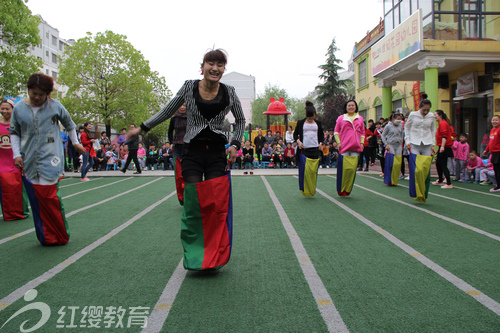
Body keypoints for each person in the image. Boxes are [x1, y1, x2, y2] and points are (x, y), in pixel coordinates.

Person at [127, 49, 244, 270]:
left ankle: (214, 254)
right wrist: (142, 128)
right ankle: (195, 252)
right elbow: (167, 111)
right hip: (192, 151)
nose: (215, 68)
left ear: (223, 69)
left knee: (215, 203)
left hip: (217, 152)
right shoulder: (189, 87)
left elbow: (240, 119)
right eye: (211, 63)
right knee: (193, 202)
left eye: (220, 65)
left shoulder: (229, 92)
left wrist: (236, 145)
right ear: (203, 67)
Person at [10, 73, 85, 245]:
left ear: (48, 94)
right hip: (28, 159)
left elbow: (70, 125)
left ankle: (60, 235)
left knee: (50, 197)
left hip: (51, 158)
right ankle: (45, 236)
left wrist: (75, 143)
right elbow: (14, 132)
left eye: (41, 94)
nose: (36, 97)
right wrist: (16, 154)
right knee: (36, 200)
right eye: (33, 93)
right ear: (28, 90)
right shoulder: (19, 108)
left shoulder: (55, 106)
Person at [0, 99, 30, 221]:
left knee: (17, 186)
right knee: (4, 187)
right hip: (2, 160)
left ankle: (21, 211)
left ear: (13, 109)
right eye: (2, 108)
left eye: (7, 108)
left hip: (16, 160)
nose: (4, 111)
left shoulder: (18, 124)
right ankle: (8, 212)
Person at [334, 100, 365, 196]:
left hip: (356, 147)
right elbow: (336, 132)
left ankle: (347, 189)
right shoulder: (341, 118)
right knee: (344, 169)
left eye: (353, 105)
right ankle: (341, 189)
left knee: (352, 169)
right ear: (346, 107)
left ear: (355, 107)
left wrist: (362, 143)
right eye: (349, 105)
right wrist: (339, 142)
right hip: (344, 147)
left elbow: (363, 132)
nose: (351, 107)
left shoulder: (359, 118)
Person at [294, 101, 324, 196]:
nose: (310, 119)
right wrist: (298, 141)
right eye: (308, 117)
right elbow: (295, 134)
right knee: (304, 171)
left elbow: (321, 135)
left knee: (313, 171)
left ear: (315, 114)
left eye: (312, 117)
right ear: (306, 114)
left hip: (315, 149)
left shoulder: (318, 123)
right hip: (304, 150)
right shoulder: (301, 122)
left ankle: (311, 188)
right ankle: (304, 189)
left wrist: (321, 143)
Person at [432, 110, 453, 188]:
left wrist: (443, 146)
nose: (434, 116)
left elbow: (445, 136)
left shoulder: (443, 123)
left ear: (440, 115)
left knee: (443, 165)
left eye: (435, 114)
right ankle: (440, 179)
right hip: (442, 146)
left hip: (445, 147)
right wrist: (439, 148)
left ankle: (449, 183)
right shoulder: (440, 123)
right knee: (438, 163)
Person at [482, 115, 500, 192]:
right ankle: (498, 185)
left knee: (498, 170)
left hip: (499, 153)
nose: (494, 121)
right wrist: (486, 150)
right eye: (493, 120)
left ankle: (498, 186)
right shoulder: (492, 130)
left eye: (496, 120)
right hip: (494, 153)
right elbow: (490, 142)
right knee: (496, 170)